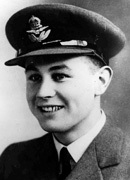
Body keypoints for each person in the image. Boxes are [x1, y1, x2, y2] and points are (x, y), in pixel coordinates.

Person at [0, 3, 130, 180]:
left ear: (101, 81)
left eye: (60, 76)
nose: (42, 93)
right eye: (34, 78)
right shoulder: (13, 160)